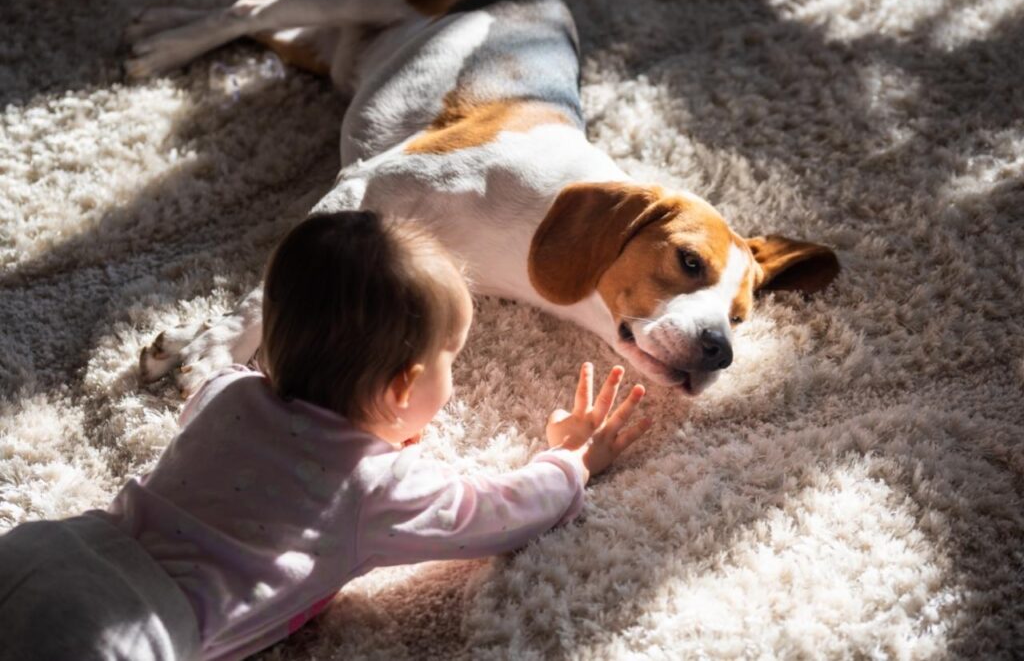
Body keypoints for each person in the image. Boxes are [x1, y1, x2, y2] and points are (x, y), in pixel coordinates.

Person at [0, 212, 652, 661]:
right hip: (129, 626)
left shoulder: (226, 393)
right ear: (403, 388)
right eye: (451, 358)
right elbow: (498, 512)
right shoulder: (375, 486)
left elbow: (231, 418)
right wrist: (570, 460)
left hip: (50, 547)